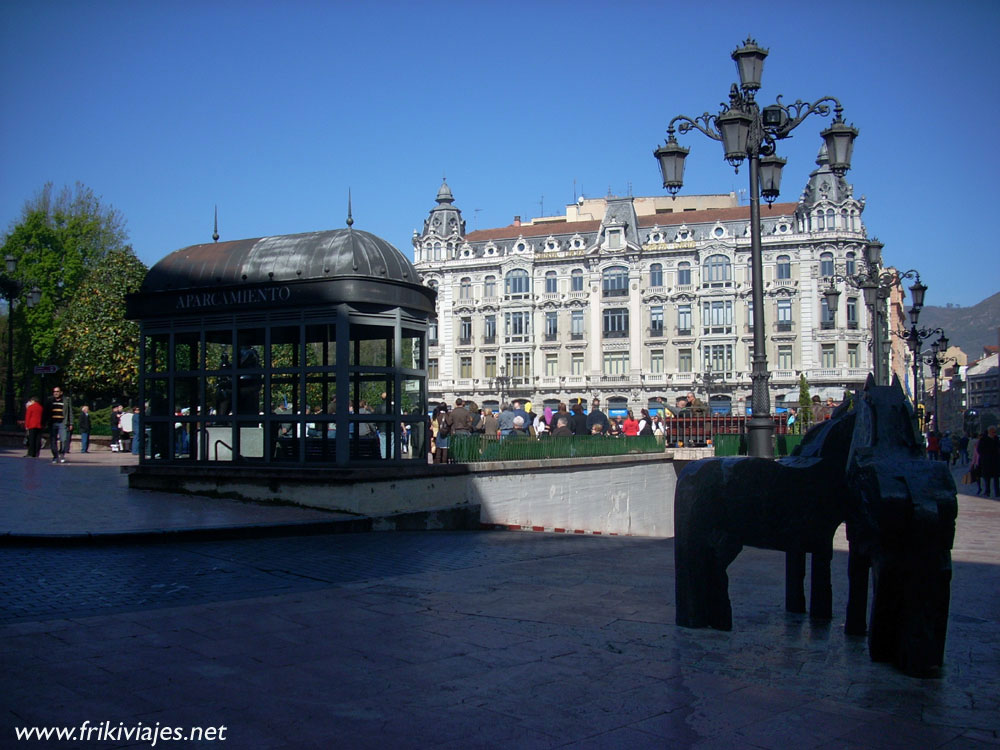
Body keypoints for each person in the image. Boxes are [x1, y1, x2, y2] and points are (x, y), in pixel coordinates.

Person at [44, 386, 73, 463]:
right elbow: (46, 412)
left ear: (61, 392)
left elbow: (70, 412)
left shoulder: (66, 400)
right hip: (52, 423)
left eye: (57, 391)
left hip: (62, 423)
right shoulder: (50, 400)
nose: (55, 393)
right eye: (54, 392)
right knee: (53, 440)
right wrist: (45, 422)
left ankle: (62, 454)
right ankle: (55, 456)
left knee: (63, 440)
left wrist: (71, 423)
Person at [977, 426, 1000, 498]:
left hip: (996, 461)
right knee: (987, 477)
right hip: (987, 461)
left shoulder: (997, 439)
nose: (994, 433)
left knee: (996, 478)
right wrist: (985, 456)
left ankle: (997, 492)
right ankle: (987, 491)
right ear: (989, 432)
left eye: (994, 432)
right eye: (993, 432)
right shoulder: (983, 440)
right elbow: (979, 450)